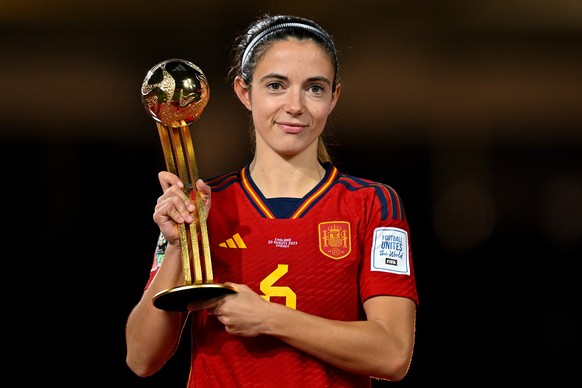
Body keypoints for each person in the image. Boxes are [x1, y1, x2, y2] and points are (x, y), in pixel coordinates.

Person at [125, 14, 419, 387]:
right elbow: (141, 357)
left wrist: (268, 317)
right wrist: (181, 244)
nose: (295, 105)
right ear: (244, 92)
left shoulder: (372, 204)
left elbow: (392, 354)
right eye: (276, 85)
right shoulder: (203, 203)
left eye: (314, 88)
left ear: (334, 97)